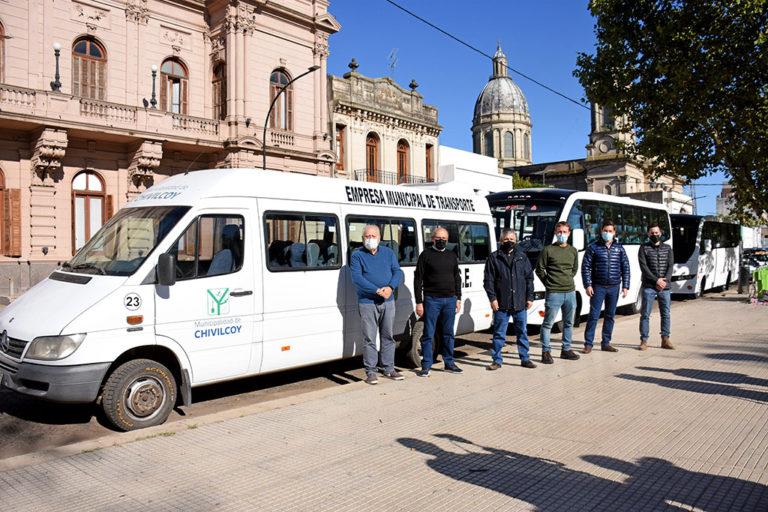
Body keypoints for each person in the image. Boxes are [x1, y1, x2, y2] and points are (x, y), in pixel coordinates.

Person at [350, 225, 404, 385]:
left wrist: (390, 287)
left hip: (388, 302)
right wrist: (376, 290)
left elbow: (397, 272)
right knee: (369, 339)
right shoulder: (357, 255)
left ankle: (389, 368)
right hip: (367, 303)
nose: (370, 239)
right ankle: (371, 372)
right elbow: (357, 278)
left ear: (379, 238)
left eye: (373, 236)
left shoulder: (388, 253)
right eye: (367, 236)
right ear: (362, 239)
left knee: (388, 336)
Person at [483, 228, 536, 369]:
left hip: (520, 303)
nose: (509, 242)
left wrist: (530, 297)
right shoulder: (494, 258)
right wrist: (492, 298)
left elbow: (529, 278)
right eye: (506, 239)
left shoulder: (522, 257)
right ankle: (496, 360)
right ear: (501, 241)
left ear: (516, 241)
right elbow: (488, 281)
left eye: (512, 239)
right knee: (499, 333)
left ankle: (525, 358)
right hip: (501, 303)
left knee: (522, 332)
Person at [414, 227, 463, 377]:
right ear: (433, 238)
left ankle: (449, 363)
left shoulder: (451, 255)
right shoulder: (425, 255)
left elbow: (457, 278)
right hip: (432, 300)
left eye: (444, 239)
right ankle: (426, 365)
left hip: (450, 299)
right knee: (429, 333)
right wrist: (419, 302)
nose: (441, 241)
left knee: (448, 333)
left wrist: (458, 298)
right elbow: (418, 280)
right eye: (439, 238)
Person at [535, 221, 581, 364]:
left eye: (565, 232)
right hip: (554, 292)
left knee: (568, 323)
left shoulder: (573, 250)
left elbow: (574, 270)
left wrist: (566, 280)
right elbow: (539, 269)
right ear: (555, 233)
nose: (562, 234)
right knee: (548, 323)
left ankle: (566, 349)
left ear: (569, 233)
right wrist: (549, 283)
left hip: (570, 292)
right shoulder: (548, 250)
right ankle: (546, 352)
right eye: (559, 232)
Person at [581, 219, 630, 353]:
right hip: (598, 287)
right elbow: (585, 267)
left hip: (614, 287)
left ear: (614, 233)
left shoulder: (619, 248)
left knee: (610, 315)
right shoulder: (594, 247)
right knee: (594, 315)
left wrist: (626, 286)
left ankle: (606, 342)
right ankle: (588, 344)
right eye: (605, 231)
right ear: (601, 231)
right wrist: (588, 285)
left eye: (610, 231)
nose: (607, 233)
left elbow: (626, 267)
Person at [638, 223, 674, 350]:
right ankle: (644, 341)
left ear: (661, 233)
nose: (654, 235)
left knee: (665, 314)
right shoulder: (643, 248)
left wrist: (665, 281)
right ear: (648, 234)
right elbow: (644, 267)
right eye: (652, 233)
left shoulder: (668, 248)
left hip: (665, 286)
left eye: (656, 232)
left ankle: (665, 339)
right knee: (645, 314)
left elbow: (670, 266)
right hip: (649, 286)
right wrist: (656, 280)